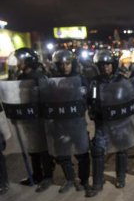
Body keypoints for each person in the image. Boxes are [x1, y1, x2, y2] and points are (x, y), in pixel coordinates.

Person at [86, 49, 134, 197]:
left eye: (108, 64)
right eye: (102, 65)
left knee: (121, 149)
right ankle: (97, 182)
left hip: (119, 123)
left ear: (113, 64)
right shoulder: (95, 83)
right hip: (102, 122)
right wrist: (92, 109)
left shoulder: (121, 80)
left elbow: (129, 98)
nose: (105, 68)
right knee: (97, 151)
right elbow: (91, 99)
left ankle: (121, 177)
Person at [46, 49, 91, 193]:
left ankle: (84, 180)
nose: (65, 67)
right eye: (61, 64)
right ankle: (70, 179)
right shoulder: (52, 82)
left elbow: (88, 97)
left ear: (73, 64)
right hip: (60, 123)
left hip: (77, 123)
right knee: (63, 154)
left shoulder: (81, 79)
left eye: (68, 63)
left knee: (82, 153)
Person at [13, 48, 55, 192]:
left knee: (43, 149)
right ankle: (36, 175)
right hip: (27, 118)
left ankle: (48, 176)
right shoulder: (20, 77)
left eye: (20, 59)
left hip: (40, 118)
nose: (18, 62)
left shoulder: (40, 77)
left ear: (28, 60)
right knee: (33, 149)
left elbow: (47, 98)